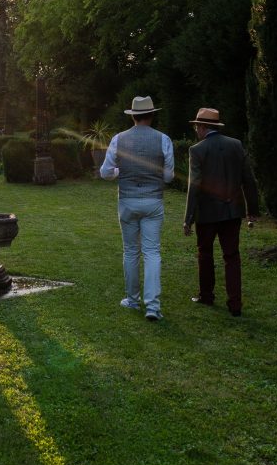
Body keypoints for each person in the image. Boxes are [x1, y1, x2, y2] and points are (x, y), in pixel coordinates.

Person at [99, 96, 175, 321]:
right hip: (153, 200)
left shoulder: (118, 139)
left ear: (133, 116)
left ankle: (132, 300)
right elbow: (169, 177)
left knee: (131, 251)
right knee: (152, 252)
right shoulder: (163, 139)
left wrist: (119, 173)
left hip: (128, 201)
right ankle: (152, 306)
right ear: (151, 115)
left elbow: (105, 172)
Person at [182, 107, 260, 316]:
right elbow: (249, 180)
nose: (196, 130)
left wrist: (188, 218)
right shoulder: (236, 145)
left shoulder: (197, 150)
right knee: (232, 256)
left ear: (202, 127)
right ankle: (235, 304)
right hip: (233, 210)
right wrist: (252, 210)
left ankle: (206, 296)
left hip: (207, 213)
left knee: (205, 254)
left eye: (196, 126)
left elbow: (195, 185)